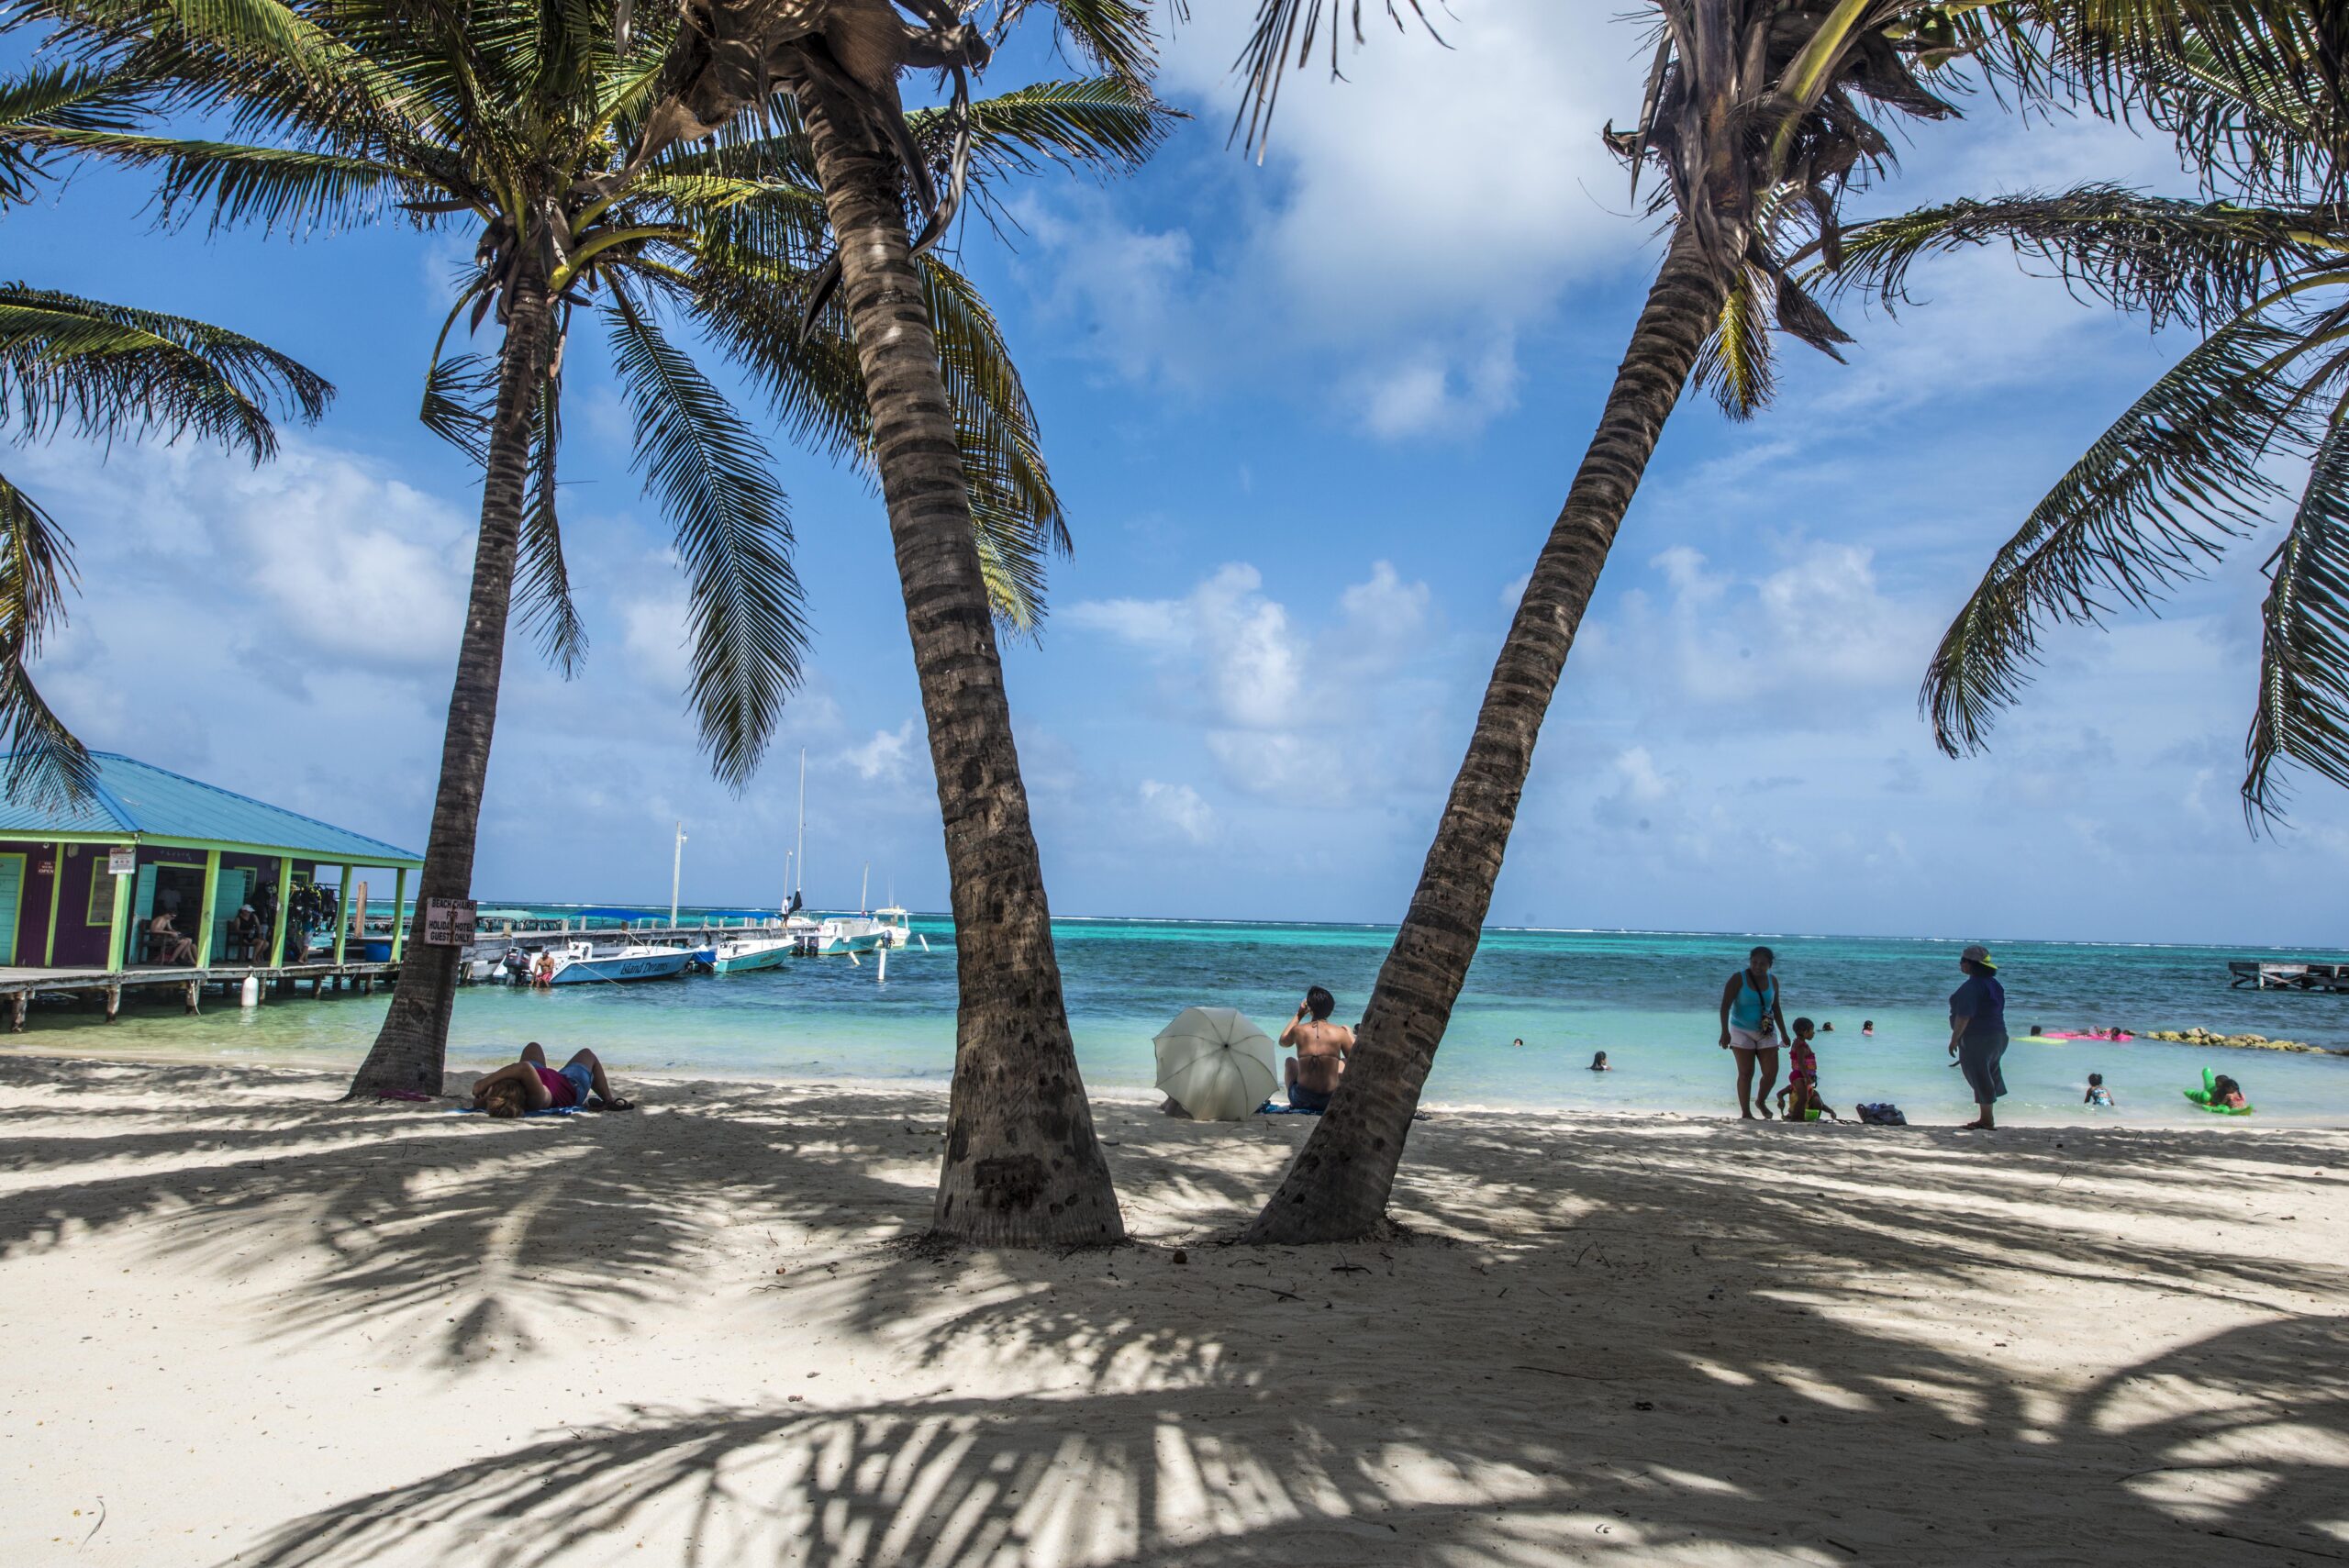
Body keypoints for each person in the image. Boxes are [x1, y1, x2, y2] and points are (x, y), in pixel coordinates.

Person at [1718, 945, 1790, 1119]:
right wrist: (1724, 1032)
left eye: (1762, 964)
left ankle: (1760, 1101)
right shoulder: (1738, 979)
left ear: (1770, 965)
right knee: (1746, 1073)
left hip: (1766, 1030)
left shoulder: (1773, 981)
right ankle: (1746, 1113)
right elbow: (1725, 1005)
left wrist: (1784, 1033)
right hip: (1741, 1029)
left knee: (1771, 1073)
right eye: (1754, 962)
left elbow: (1776, 1007)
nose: (1757, 966)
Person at [471, 1041, 632, 1116]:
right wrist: (483, 1083)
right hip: (570, 1084)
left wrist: (484, 1096)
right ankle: (608, 1099)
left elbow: (478, 1102)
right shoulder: (537, 1099)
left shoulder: (502, 1097)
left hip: (543, 1075)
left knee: (533, 1046)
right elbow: (524, 1068)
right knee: (587, 1054)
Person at [1948, 944, 2009, 1130]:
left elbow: (1964, 1015)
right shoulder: (1994, 985)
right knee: (1988, 1073)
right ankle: (1987, 1116)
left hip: (1979, 1038)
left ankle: (1986, 1120)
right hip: (1998, 1036)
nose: (1960, 964)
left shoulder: (1972, 986)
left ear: (1969, 964)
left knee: (1979, 1075)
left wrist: (1954, 1038)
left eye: (1962, 961)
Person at [1279, 985, 1353, 1112]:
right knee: (1344, 1062)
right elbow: (1355, 1060)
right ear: (1331, 1010)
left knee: (1290, 1061)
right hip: (1329, 1101)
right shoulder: (1340, 1033)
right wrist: (1350, 1033)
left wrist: (1299, 1014)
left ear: (1310, 1009)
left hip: (1301, 1100)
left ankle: (1292, 1103)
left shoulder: (1298, 1030)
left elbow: (1283, 1042)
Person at [1776, 1018, 1844, 1122]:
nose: (1814, 1033)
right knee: (1803, 1098)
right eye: (1812, 1030)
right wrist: (1807, 1077)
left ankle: (1798, 1119)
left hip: (1800, 1074)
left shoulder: (1799, 1043)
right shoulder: (1801, 1046)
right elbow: (1801, 1063)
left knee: (1804, 1097)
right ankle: (1795, 1119)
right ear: (1805, 1032)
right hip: (1799, 1074)